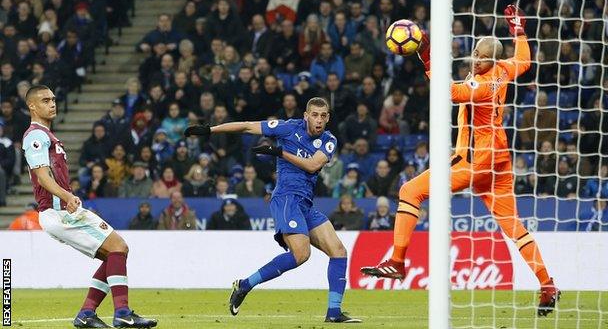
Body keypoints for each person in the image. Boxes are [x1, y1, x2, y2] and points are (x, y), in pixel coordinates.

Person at [361, 5, 559, 316]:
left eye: (481, 57)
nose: (475, 60)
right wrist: (518, 30)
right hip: (499, 161)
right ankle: (547, 284)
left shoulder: (481, 85)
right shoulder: (504, 70)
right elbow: (525, 59)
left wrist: (426, 54)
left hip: (474, 160)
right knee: (514, 226)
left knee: (410, 192)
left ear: (490, 60)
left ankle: (397, 262)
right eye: (476, 54)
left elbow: (448, 92)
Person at [184, 97, 360, 323]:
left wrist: (279, 153)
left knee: (338, 251)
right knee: (301, 255)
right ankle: (245, 285)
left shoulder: (328, 140)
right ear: (305, 115)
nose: (318, 120)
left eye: (323, 116)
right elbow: (248, 125)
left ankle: (334, 313)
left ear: (328, 118)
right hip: (286, 198)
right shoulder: (288, 128)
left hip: (305, 203)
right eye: (314, 115)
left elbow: (313, 165)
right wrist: (210, 130)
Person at [21, 85, 156, 328]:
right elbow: (42, 175)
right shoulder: (35, 136)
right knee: (118, 246)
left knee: (115, 253)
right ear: (32, 106)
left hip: (64, 210)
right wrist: (67, 196)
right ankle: (122, 312)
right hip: (59, 212)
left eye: (53, 99)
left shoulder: (48, 135)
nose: (52, 103)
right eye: (44, 100)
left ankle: (87, 314)